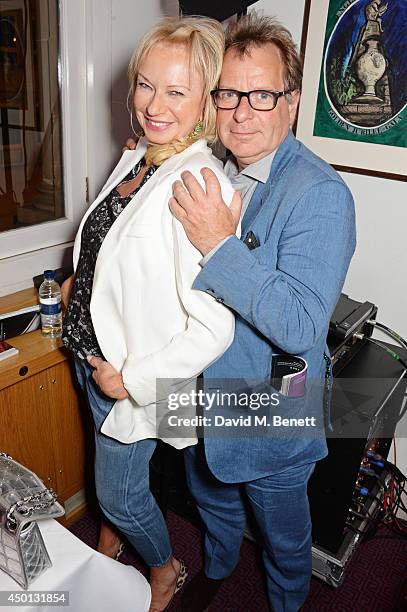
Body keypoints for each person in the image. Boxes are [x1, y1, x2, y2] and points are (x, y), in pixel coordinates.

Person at [167, 13, 357, 612]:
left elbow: (301, 324)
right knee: (209, 493)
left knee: (283, 538)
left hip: (274, 407)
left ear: (292, 102)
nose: (242, 111)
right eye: (228, 93)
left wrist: (221, 245)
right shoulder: (213, 166)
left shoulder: (321, 195)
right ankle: (219, 566)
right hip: (199, 391)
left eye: (262, 94)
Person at [61, 17, 236, 612]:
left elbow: (215, 325)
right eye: (145, 84)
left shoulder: (195, 181)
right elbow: (114, 243)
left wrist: (127, 380)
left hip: (128, 376)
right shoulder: (144, 154)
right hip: (91, 351)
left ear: (207, 101)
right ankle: (109, 545)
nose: (152, 104)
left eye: (176, 91)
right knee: (117, 484)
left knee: (122, 495)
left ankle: (165, 569)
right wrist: (79, 283)